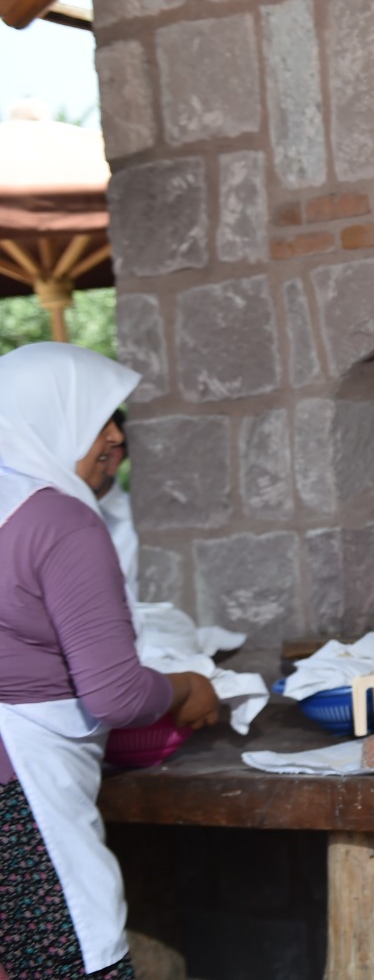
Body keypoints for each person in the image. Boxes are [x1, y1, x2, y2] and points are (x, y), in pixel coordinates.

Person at [0, 342, 219, 979]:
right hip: (23, 796)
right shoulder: (60, 522)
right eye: (101, 421)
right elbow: (116, 696)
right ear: (52, 420)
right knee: (68, 961)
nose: (116, 439)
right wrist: (186, 688)